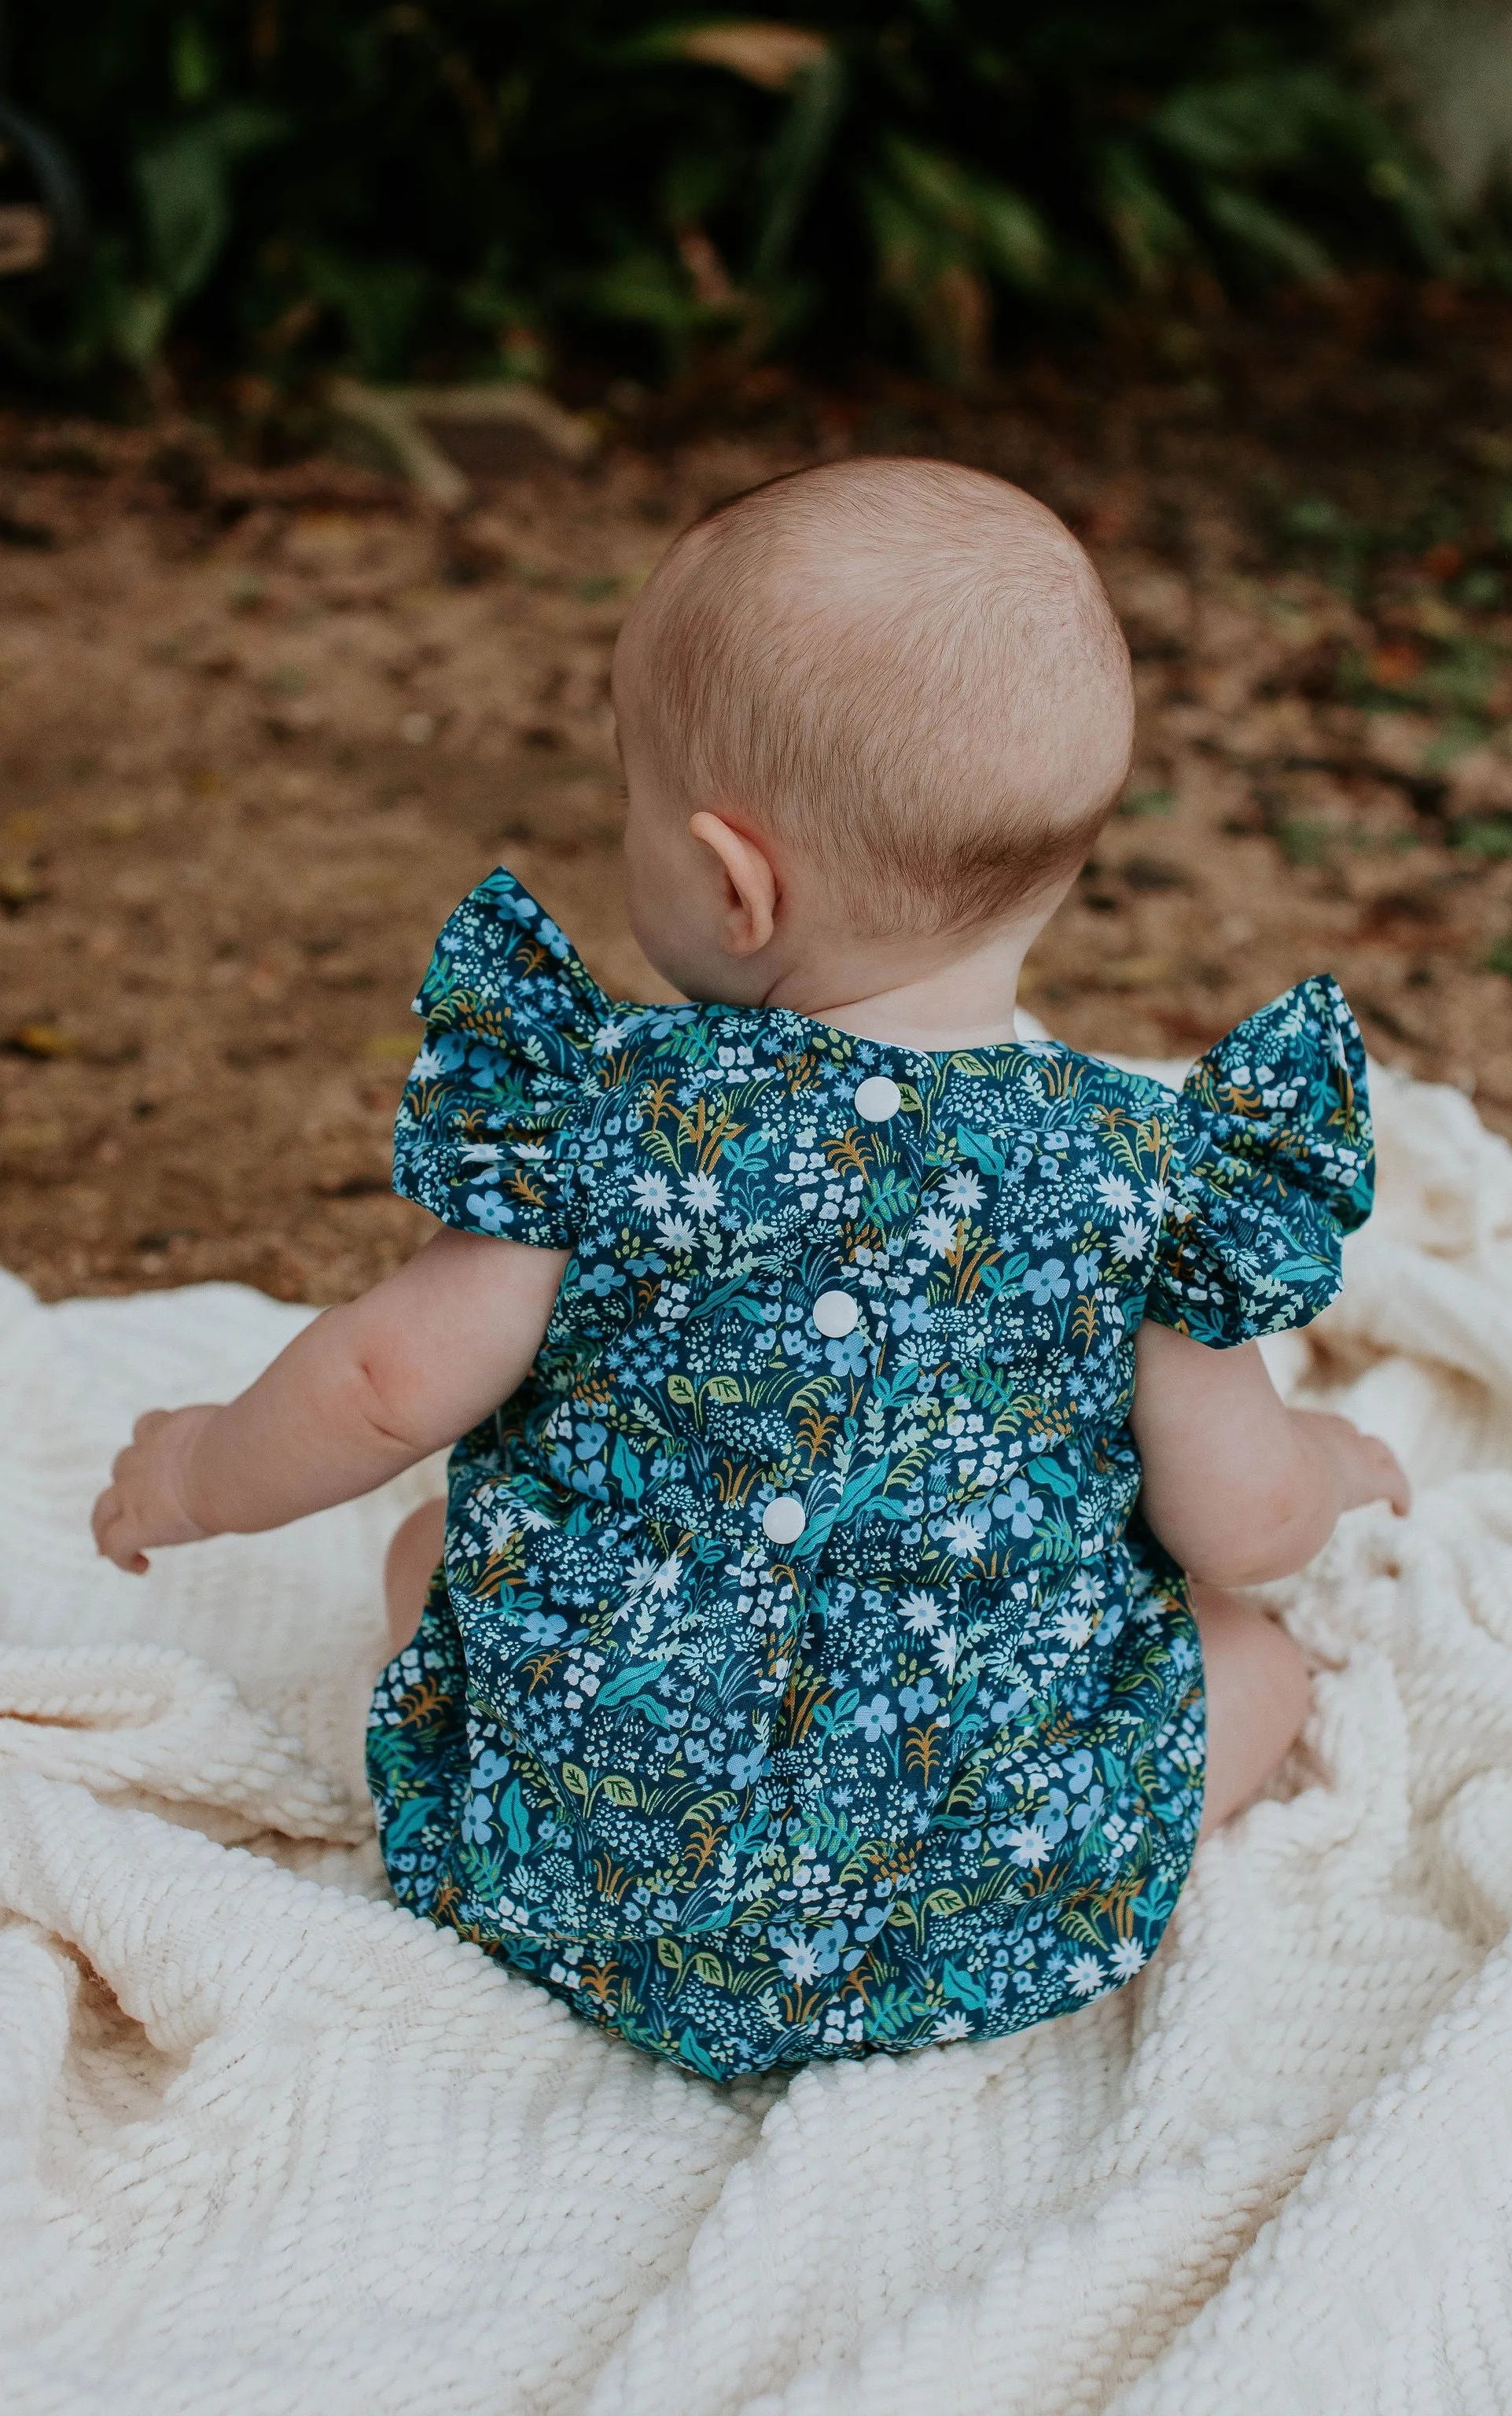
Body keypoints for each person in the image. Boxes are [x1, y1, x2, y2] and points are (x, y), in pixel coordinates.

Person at [92, 458, 1409, 2079]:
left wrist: (196, 1473)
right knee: (1250, 1658)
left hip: (584, 1855)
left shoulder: (604, 1113)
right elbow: (1242, 1519)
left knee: (437, 1541)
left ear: (733, 879)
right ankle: (982, 1901)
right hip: (965, 1889)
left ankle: (602, 1849)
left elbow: (384, 1381)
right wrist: (1332, 1465)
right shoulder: (1132, 1174)